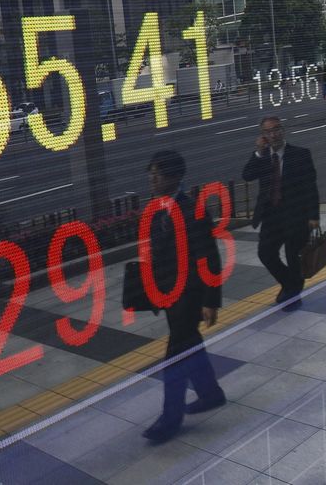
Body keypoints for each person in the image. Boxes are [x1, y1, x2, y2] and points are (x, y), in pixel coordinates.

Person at [142, 151, 226, 443]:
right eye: (151, 173)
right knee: (189, 344)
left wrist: (210, 300)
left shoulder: (193, 210)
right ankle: (210, 393)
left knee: (175, 355)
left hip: (190, 294)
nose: (153, 179)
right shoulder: (155, 208)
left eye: (159, 174)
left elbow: (208, 256)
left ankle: (170, 418)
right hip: (169, 293)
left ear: (176, 177)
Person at [242, 115, 320, 310]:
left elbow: (310, 186)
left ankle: (293, 296)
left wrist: (313, 216)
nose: (273, 134)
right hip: (271, 216)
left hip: (296, 216)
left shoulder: (301, 154)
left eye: (276, 129)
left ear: (283, 130)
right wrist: (259, 153)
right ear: (263, 136)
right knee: (265, 253)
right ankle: (290, 285)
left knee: (294, 258)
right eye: (268, 131)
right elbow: (247, 175)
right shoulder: (262, 157)